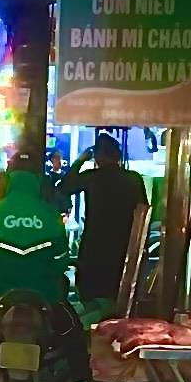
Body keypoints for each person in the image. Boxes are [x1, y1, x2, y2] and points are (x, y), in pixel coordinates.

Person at [0, 149, 100, 382]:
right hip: (43, 293)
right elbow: (61, 258)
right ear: (38, 181)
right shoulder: (50, 216)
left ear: (8, 179)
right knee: (71, 328)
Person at [56, 132, 149, 307]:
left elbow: (63, 188)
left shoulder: (92, 177)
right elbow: (143, 212)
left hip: (94, 246)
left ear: (97, 157)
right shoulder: (133, 179)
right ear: (118, 156)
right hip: (123, 247)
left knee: (91, 299)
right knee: (117, 299)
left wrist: (79, 161)